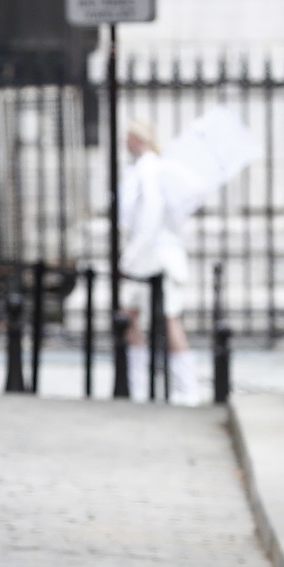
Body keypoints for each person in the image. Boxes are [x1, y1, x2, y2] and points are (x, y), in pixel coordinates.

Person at [120, 121, 199, 405]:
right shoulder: (156, 168)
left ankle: (186, 388)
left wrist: (130, 256)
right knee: (132, 316)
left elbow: (151, 215)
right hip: (151, 256)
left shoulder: (149, 169)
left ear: (137, 139)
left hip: (152, 258)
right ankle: (138, 384)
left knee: (168, 319)